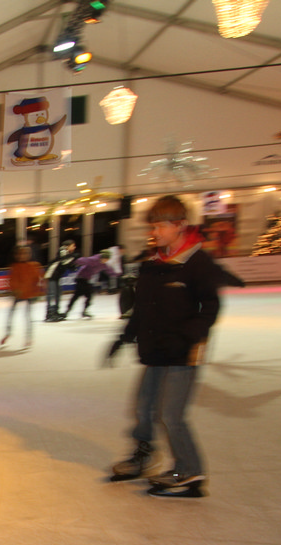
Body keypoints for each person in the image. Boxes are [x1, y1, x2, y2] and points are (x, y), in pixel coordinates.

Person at [105, 195, 222, 499]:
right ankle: (144, 456)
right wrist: (123, 337)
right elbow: (141, 308)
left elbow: (210, 308)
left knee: (171, 414)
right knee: (144, 408)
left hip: (184, 353)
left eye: (159, 226)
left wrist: (188, 337)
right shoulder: (152, 264)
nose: (153, 232)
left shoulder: (197, 263)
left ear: (180, 225)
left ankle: (190, 470)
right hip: (156, 350)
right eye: (152, 226)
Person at [1, 245, 44, 347]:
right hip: (18, 294)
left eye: (25, 253)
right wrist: (14, 290)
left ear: (29, 255)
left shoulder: (34, 266)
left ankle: (29, 337)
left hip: (29, 294)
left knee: (28, 316)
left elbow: (39, 280)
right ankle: (8, 333)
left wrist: (39, 292)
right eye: (20, 254)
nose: (22, 256)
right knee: (11, 314)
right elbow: (11, 280)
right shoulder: (14, 266)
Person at [63, 250, 119, 319]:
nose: (106, 261)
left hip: (86, 280)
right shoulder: (94, 260)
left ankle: (72, 311)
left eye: (107, 260)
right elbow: (84, 260)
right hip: (80, 278)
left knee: (82, 295)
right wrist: (74, 260)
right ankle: (70, 311)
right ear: (102, 257)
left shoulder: (103, 265)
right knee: (82, 295)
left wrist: (118, 275)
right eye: (105, 259)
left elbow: (109, 271)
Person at [43, 239, 78, 321]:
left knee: (58, 294)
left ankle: (55, 311)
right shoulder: (62, 250)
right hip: (51, 275)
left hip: (56, 277)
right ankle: (50, 313)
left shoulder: (68, 254)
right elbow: (63, 260)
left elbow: (67, 263)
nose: (74, 247)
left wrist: (73, 266)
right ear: (67, 246)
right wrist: (73, 257)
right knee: (52, 294)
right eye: (73, 245)